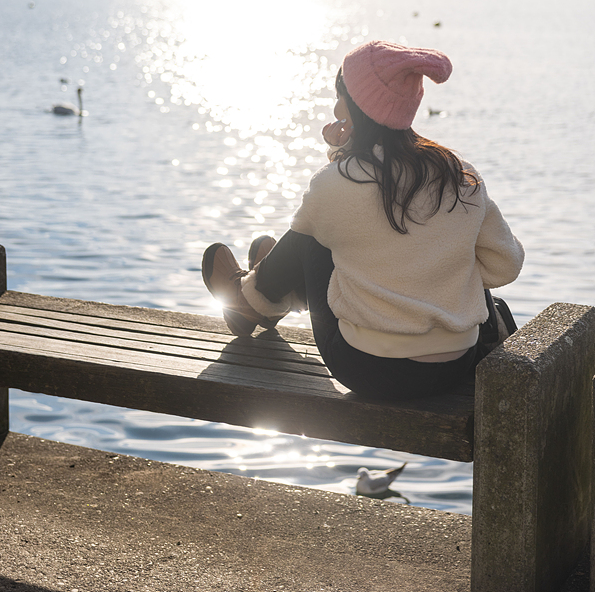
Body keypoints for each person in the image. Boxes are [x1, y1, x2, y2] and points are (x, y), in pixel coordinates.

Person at [202, 39, 524, 401]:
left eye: (341, 95)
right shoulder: (459, 173)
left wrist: (340, 157)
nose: (337, 105)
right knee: (446, 243)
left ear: (353, 105)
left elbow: (326, 213)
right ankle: (268, 294)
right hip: (455, 364)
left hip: (368, 368)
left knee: (312, 235)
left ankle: (255, 297)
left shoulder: (338, 180)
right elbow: (505, 266)